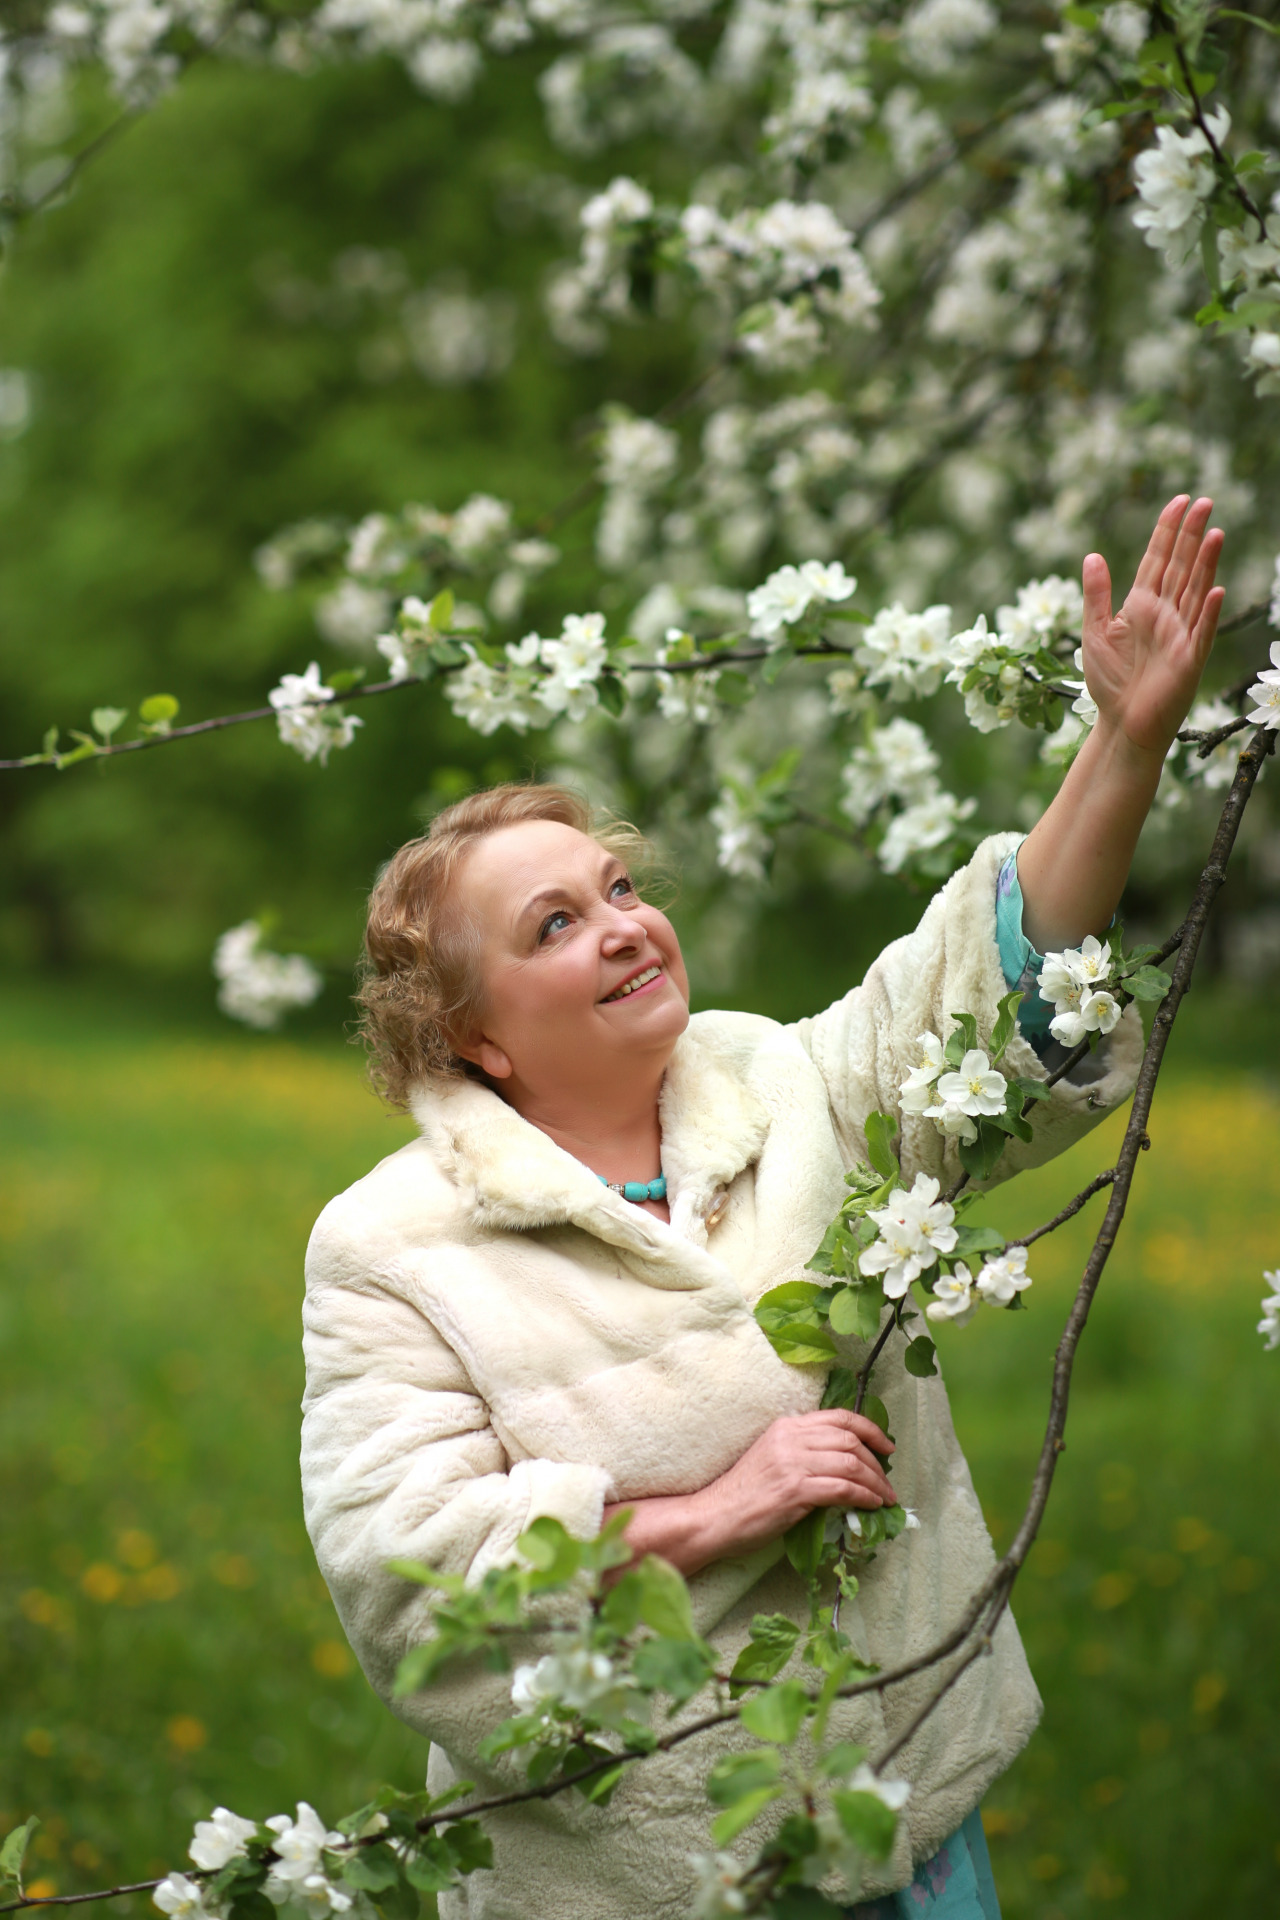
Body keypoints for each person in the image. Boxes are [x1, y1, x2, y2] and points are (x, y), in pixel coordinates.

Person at [299, 497, 1224, 1920]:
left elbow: (987, 987)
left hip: (904, 1812)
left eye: (615, 887)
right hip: (635, 1876)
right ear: (472, 1036)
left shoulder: (786, 1083)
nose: (619, 923)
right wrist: (721, 1510)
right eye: (555, 925)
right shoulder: (394, 1248)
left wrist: (1127, 743)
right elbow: (412, 1585)